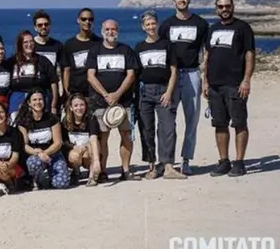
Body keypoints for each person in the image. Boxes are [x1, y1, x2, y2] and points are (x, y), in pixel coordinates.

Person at [158, 0, 210, 175]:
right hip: (171, 76)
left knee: (192, 119)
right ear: (174, 1)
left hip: (192, 74)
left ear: (189, 0)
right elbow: (159, 49)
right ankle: (167, 162)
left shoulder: (201, 24)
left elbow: (207, 51)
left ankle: (186, 160)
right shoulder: (166, 25)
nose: (181, 0)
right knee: (167, 120)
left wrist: (205, 79)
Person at [203, 0, 256, 177]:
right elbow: (207, 56)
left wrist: (246, 79)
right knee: (219, 124)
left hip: (235, 84)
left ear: (232, 7)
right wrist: (205, 81)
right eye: (220, 7)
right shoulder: (212, 29)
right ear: (216, 9)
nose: (224, 9)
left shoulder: (243, 28)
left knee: (239, 123)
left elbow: (250, 54)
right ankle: (223, 161)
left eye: (227, 6)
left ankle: (239, 162)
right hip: (215, 86)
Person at [86, 19, 140, 181]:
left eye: (113, 29)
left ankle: (125, 170)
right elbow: (90, 76)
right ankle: (102, 171)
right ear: (102, 31)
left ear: (118, 30)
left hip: (124, 102)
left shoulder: (126, 50)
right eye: (107, 29)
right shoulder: (95, 50)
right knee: (103, 137)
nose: (110, 32)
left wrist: (117, 94)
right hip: (100, 102)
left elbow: (131, 75)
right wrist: (105, 95)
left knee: (126, 135)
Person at [135, 10, 186, 180]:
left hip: (163, 91)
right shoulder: (139, 48)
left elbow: (173, 71)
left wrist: (169, 92)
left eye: (153, 23)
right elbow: (135, 74)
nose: (151, 27)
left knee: (168, 128)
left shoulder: (167, 45)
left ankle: (169, 166)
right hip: (144, 93)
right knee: (147, 130)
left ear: (157, 24)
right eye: (147, 24)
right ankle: (152, 166)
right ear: (143, 27)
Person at [15, 91, 70, 190]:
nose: (38, 102)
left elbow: (58, 143)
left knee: (62, 184)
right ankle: (36, 179)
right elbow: (24, 145)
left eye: (40, 99)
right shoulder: (23, 121)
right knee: (33, 163)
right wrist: (37, 153)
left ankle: (53, 177)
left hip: (53, 153)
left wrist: (45, 153)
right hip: (35, 155)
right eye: (34, 100)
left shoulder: (52, 118)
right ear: (29, 103)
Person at [61, 94, 102, 186]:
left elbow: (93, 138)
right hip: (75, 150)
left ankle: (92, 175)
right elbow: (64, 140)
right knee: (74, 156)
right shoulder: (66, 121)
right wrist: (74, 147)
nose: (79, 108)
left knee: (93, 146)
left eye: (82, 105)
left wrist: (96, 160)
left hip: (88, 150)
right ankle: (75, 172)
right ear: (71, 108)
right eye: (75, 105)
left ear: (86, 106)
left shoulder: (91, 119)